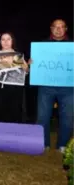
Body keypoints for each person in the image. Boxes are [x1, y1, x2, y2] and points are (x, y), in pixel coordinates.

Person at [36, 19, 74, 153]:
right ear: (51, 29)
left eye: (62, 27)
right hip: (46, 86)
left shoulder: (72, 45)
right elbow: (36, 65)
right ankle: (43, 143)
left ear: (66, 29)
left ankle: (63, 144)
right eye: (55, 27)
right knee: (42, 116)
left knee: (68, 116)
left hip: (68, 87)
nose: (58, 29)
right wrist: (32, 62)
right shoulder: (41, 45)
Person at [0, 32, 29, 123]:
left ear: (12, 41)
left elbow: (25, 73)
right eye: (3, 39)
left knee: (16, 113)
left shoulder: (18, 56)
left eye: (8, 39)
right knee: (1, 114)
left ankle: (14, 136)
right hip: (0, 90)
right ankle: (2, 136)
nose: (6, 42)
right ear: (0, 42)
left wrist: (26, 68)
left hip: (16, 90)